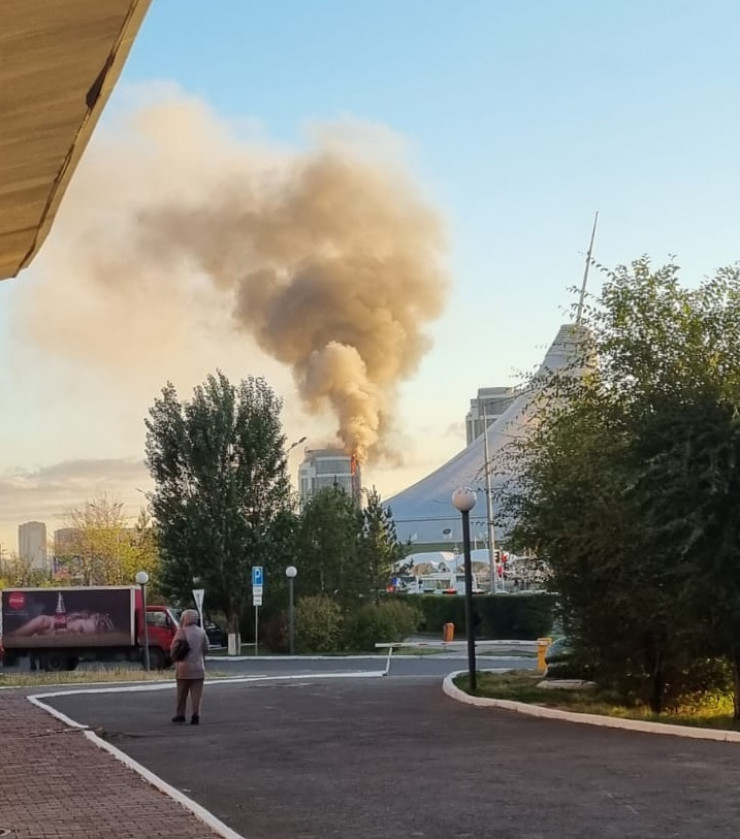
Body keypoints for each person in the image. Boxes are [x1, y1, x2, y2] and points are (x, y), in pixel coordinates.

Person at [170, 609, 209, 726]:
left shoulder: (181, 631)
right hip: (198, 668)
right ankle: (195, 715)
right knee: (197, 695)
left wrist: (174, 658)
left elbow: (174, 648)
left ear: (185, 618)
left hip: (183, 668)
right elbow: (206, 649)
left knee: (182, 693)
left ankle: (180, 715)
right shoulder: (202, 632)